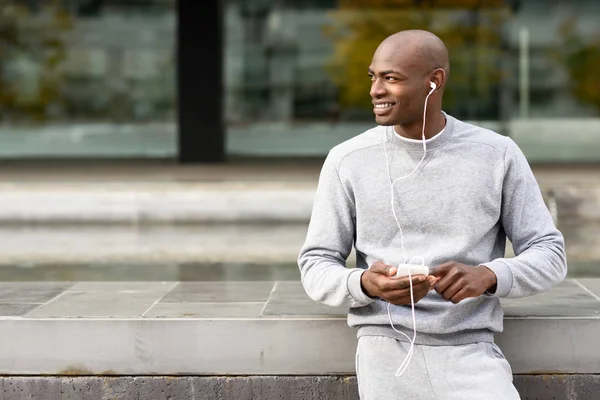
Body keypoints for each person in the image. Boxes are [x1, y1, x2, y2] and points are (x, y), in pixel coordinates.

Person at [297, 29, 567, 400]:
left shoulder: (497, 154)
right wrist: (363, 284)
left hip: (472, 350)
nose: (375, 90)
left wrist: (489, 275)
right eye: (373, 77)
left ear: (433, 82)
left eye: (391, 78)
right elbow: (315, 263)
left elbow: (550, 253)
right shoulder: (347, 160)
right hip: (384, 349)